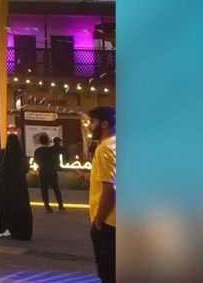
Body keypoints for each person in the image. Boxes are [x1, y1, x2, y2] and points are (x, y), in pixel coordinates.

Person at [87, 107, 116, 283]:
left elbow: (110, 189)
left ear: (104, 124)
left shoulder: (104, 149)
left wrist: (98, 220)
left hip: (109, 222)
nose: (90, 126)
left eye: (93, 122)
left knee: (108, 273)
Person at [0, 134, 33, 240]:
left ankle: (4, 230)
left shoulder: (3, 154)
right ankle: (20, 231)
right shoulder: (21, 155)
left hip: (5, 185)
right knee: (20, 208)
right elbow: (26, 169)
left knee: (4, 208)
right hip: (19, 186)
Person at [34, 133, 65, 212]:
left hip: (43, 171)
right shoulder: (52, 150)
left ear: (40, 142)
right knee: (56, 188)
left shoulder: (37, 151)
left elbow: (36, 161)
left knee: (44, 190)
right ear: (48, 141)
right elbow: (56, 161)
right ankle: (60, 206)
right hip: (52, 171)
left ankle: (47, 207)